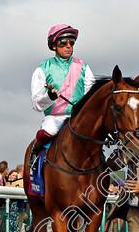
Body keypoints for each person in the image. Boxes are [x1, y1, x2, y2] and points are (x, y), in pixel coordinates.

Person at [27, 24, 96, 170]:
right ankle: (35, 155)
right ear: (54, 46)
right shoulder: (42, 68)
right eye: (63, 43)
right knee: (49, 131)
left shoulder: (83, 66)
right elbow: (36, 104)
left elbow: (91, 94)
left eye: (71, 42)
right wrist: (49, 96)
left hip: (78, 117)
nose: (68, 46)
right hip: (54, 117)